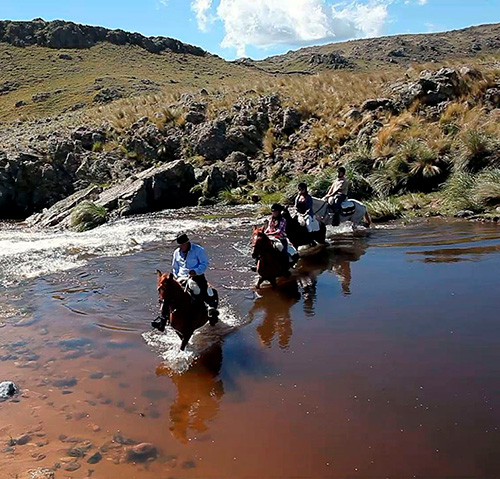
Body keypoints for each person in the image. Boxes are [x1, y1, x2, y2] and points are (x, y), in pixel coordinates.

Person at [171, 233, 218, 318]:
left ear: (187, 242)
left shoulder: (198, 250)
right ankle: (165, 317)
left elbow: (204, 263)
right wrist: (177, 277)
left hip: (196, 276)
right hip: (181, 277)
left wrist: (196, 271)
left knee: (197, 289)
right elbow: (175, 267)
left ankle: (209, 307)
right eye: (179, 245)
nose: (181, 247)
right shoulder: (176, 252)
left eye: (182, 245)